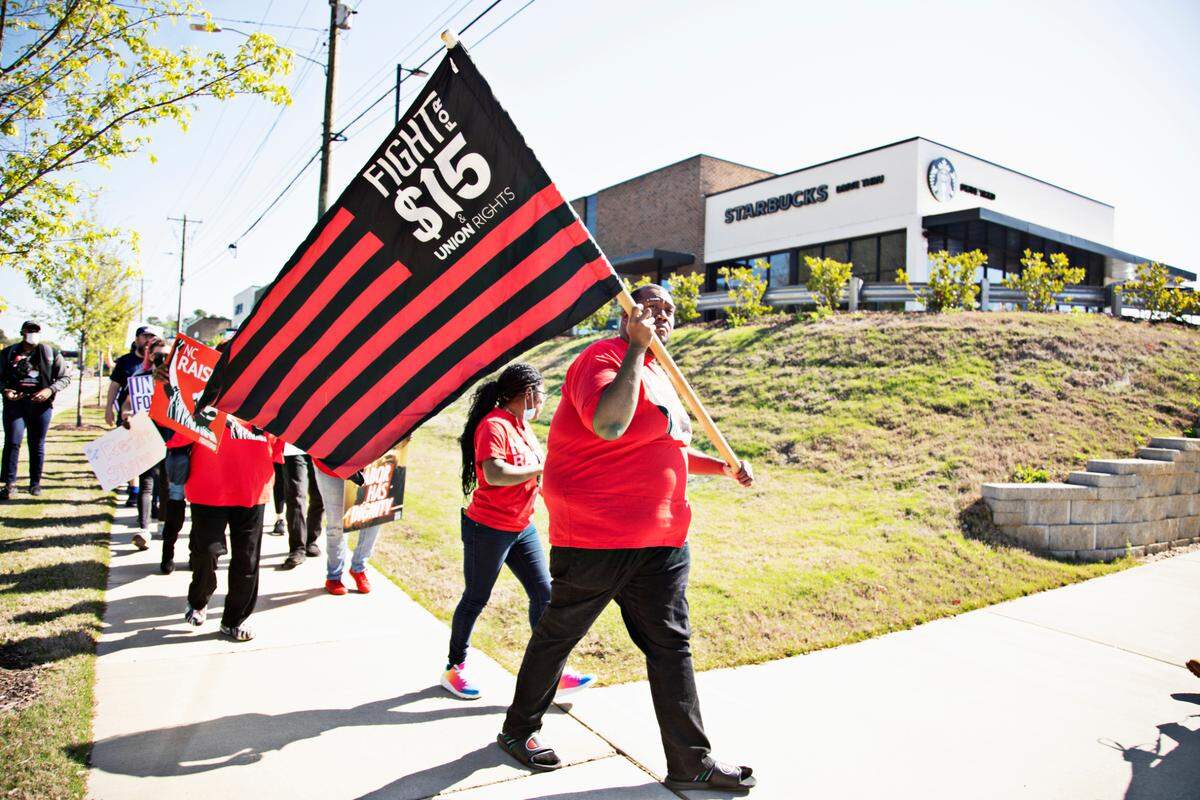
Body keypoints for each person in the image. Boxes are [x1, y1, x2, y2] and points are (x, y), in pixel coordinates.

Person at [497, 284, 757, 793]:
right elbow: (611, 424)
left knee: (670, 645)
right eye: (649, 307)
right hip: (596, 537)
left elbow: (668, 449)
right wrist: (636, 348)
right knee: (560, 635)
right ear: (626, 315)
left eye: (670, 310)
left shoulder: (664, 377)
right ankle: (517, 731)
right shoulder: (601, 359)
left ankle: (691, 762)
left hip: (662, 540)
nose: (661, 314)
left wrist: (723, 469)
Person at [441, 364, 595, 701]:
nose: (543, 401)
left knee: (545, 595)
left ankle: (553, 673)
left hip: (521, 526)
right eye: (541, 394)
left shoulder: (521, 427)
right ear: (528, 393)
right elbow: (495, 474)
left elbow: (533, 473)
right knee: (476, 598)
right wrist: (542, 467)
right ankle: (455, 668)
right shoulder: (493, 426)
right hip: (489, 528)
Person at [155, 355, 284, 641]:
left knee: (247, 561)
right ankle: (198, 600)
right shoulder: (204, 396)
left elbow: (279, 443)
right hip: (208, 489)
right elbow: (175, 435)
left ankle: (235, 619)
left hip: (252, 490)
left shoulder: (271, 395)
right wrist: (167, 385)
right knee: (206, 554)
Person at [0, 321, 71, 499]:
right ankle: (9, 484)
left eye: (36, 331)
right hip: (16, 404)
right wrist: (5, 390)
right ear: (22, 332)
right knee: (13, 441)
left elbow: (64, 377)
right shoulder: (8, 353)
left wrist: (50, 390)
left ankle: (35, 483)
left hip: (41, 405)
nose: (33, 333)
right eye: (30, 330)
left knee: (37, 443)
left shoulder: (50, 353)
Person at [106, 325, 160, 507]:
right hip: (129, 415)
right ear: (137, 339)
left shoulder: (158, 364)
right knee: (132, 455)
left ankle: (149, 496)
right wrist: (108, 408)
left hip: (153, 419)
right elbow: (114, 386)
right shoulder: (125, 362)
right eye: (145, 336)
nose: (148, 340)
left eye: (151, 337)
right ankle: (134, 490)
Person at [310, 458, 378, 595]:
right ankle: (334, 576)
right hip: (331, 464)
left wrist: (402, 436)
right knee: (337, 524)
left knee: (374, 518)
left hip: (371, 464)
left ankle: (359, 568)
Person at [279, 446, 326, 570]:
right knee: (296, 496)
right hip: (293, 448)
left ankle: (311, 541)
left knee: (320, 495)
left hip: (321, 448)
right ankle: (297, 549)